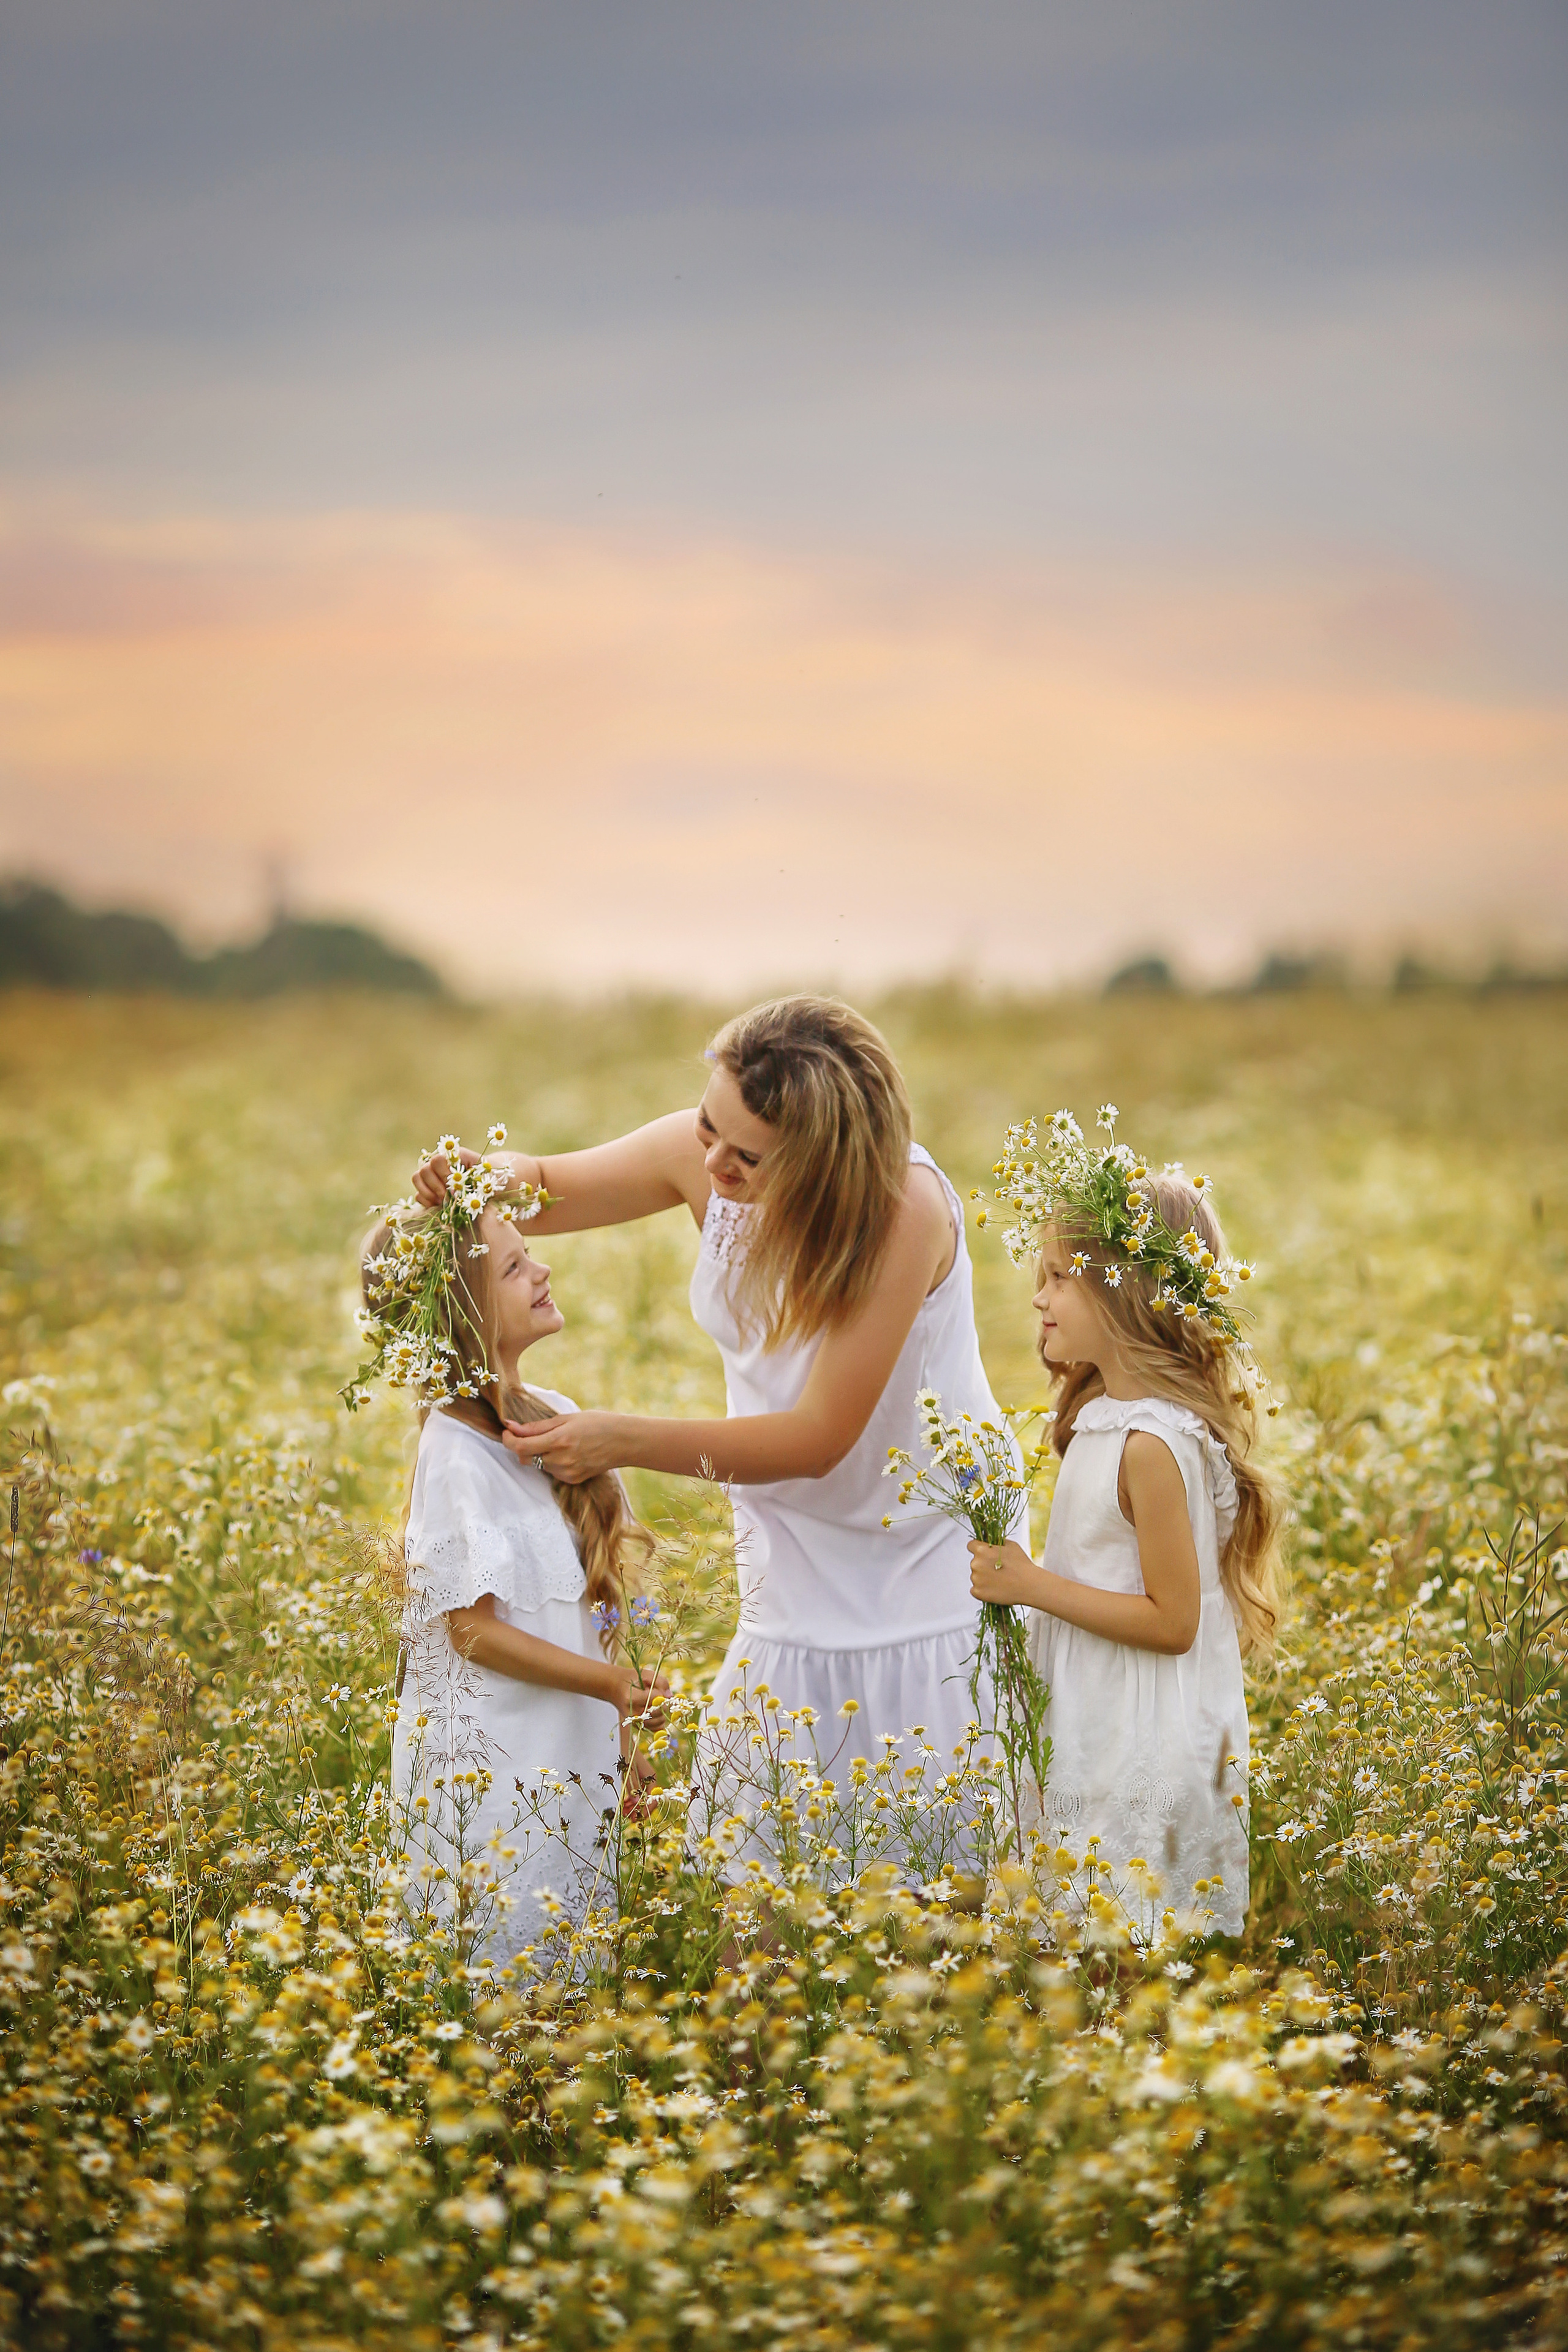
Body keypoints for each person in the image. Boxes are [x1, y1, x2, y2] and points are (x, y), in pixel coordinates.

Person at [412, 996, 1011, 1871]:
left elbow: (817, 1440)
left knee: (923, 1859)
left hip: (919, 1547)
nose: (713, 1162)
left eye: (749, 1155)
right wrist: (478, 1170)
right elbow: (541, 1182)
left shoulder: (901, 1212)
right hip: (791, 1542)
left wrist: (617, 1440)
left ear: (823, 1161)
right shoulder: (703, 1154)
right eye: (707, 1126)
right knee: (756, 1877)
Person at [967, 1111, 1283, 1937]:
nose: (1038, 1295)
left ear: (1126, 1289)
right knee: (1075, 1927)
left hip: (1132, 1727)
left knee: (1120, 1932)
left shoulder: (1152, 1442)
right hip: (1089, 1706)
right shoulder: (1106, 1415)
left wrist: (1031, 1583)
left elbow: (1174, 1621)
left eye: (1061, 1276)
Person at [361, 1178, 665, 1969]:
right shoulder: (455, 1454)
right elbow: (471, 1631)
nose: (542, 1274)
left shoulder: (549, 1414)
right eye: (513, 1269)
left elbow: (592, 1601)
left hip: (565, 1757)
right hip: (493, 1774)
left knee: (571, 1973)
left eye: (530, 1257)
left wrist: (626, 1727)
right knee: (502, 1970)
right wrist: (611, 1690)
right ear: (459, 1318)